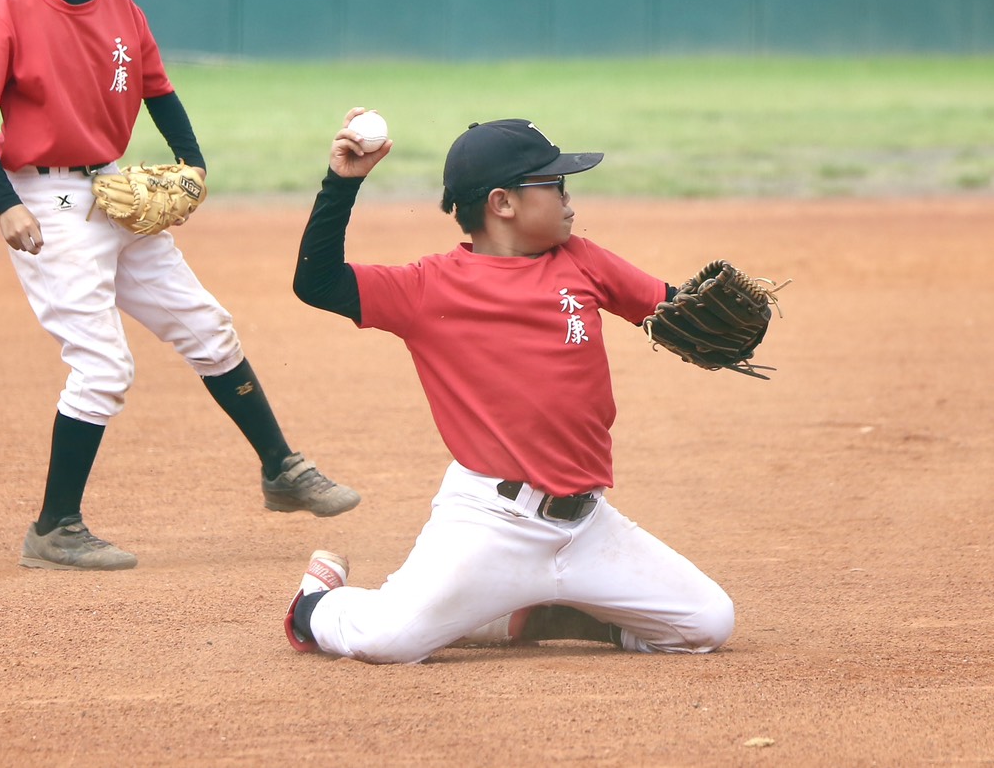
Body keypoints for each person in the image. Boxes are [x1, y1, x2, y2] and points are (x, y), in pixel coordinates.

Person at [0, 0, 359, 571]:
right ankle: (53, 527)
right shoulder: (5, 4)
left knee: (205, 324)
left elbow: (157, 89)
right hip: (46, 200)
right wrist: (4, 201)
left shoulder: (116, 2)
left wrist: (192, 165)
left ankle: (280, 468)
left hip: (113, 189)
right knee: (104, 365)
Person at [283, 111, 734, 663]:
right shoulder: (428, 288)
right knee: (386, 642)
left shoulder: (584, 262)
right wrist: (342, 183)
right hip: (490, 523)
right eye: (554, 185)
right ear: (502, 203)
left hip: (587, 524)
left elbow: (673, 306)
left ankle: (544, 613)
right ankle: (316, 604)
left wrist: (719, 320)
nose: (569, 200)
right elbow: (318, 282)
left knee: (708, 623)